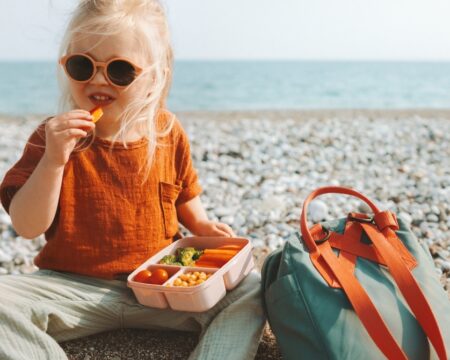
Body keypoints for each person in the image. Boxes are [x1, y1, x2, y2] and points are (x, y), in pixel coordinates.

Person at [0, 1, 265, 359]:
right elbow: (27, 225)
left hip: (163, 285)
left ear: (155, 76)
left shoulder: (167, 132)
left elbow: (184, 197)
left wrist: (203, 225)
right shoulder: (52, 138)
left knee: (249, 288)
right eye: (82, 66)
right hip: (73, 287)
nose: (97, 80)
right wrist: (53, 160)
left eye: (120, 70)